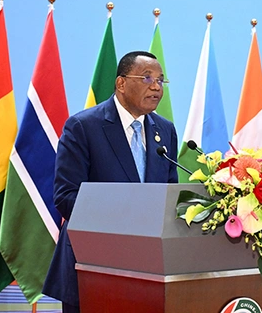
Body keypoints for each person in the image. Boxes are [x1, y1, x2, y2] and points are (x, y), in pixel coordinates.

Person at [43, 51, 179, 313]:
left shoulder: (165, 130)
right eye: (147, 78)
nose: (156, 87)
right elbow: (66, 197)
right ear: (121, 83)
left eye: (161, 80)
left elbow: (169, 196)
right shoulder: (83, 126)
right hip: (91, 266)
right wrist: (127, 221)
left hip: (149, 271)